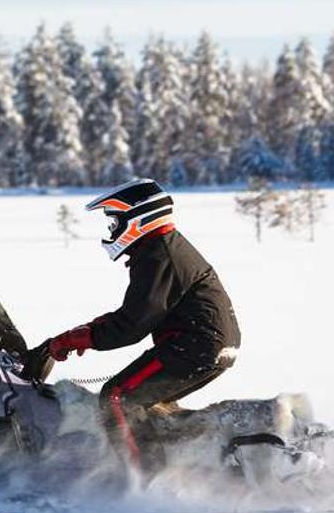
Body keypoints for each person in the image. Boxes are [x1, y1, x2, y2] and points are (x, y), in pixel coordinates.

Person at [27, 178, 242, 484]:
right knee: (148, 404)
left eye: (115, 221)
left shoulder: (160, 255)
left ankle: (144, 480)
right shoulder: (161, 249)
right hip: (204, 344)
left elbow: (132, 325)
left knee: (117, 398)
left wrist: (81, 338)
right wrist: (82, 332)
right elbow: (138, 313)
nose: (112, 230)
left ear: (139, 217)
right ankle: (183, 465)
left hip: (195, 346)